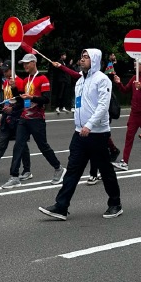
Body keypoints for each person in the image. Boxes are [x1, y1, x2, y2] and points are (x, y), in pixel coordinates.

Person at [38, 48, 122, 221]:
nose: (82, 60)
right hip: (79, 133)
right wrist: (79, 123)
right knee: (72, 170)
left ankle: (115, 204)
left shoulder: (102, 79)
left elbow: (103, 106)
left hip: (97, 134)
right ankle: (61, 206)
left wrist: (89, 125)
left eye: (86, 57)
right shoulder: (80, 81)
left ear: (95, 60)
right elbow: (79, 104)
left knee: (105, 170)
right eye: (82, 57)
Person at [1, 54, 66, 189]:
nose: (24, 65)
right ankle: (14, 176)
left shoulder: (42, 79)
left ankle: (59, 168)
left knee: (43, 146)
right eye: (23, 63)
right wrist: (14, 88)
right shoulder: (26, 80)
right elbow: (21, 100)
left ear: (34, 63)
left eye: (27, 63)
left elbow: (46, 99)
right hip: (24, 118)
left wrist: (32, 97)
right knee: (18, 145)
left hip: (37, 119)